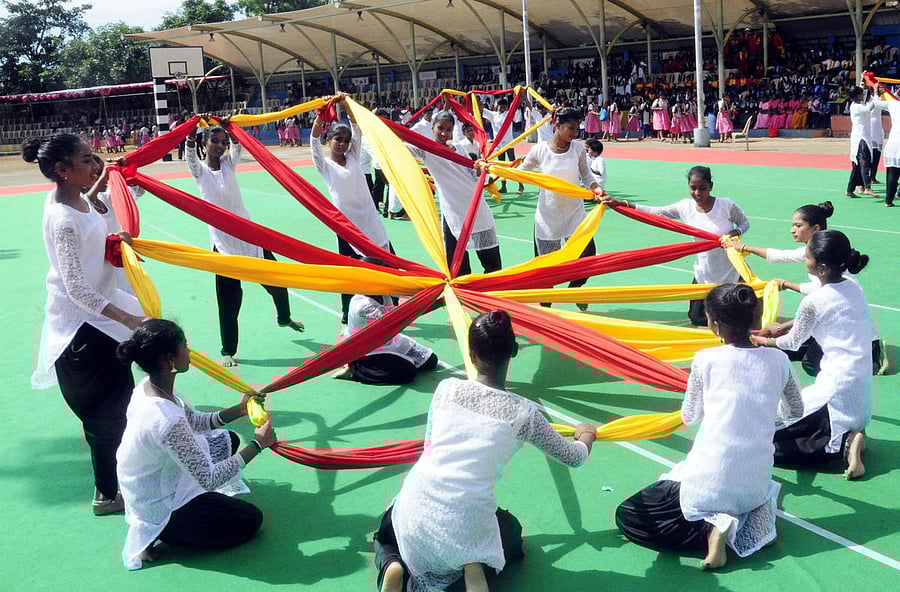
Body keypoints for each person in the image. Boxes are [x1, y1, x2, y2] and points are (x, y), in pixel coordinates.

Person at [372, 310, 597, 592]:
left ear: (471, 354)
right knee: (510, 536)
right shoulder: (525, 414)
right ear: (513, 352)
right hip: (467, 515)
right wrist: (586, 435)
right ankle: (471, 565)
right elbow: (573, 457)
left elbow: (428, 446)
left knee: (385, 536)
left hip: (416, 498)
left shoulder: (446, 389)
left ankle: (394, 564)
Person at [616, 284, 803, 570]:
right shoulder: (779, 359)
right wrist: (760, 416)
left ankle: (712, 530)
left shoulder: (706, 359)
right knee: (696, 478)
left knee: (628, 515)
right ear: (756, 316)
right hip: (754, 484)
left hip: (710, 483)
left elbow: (690, 416)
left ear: (714, 325)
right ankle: (743, 522)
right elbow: (795, 410)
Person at [25, 133, 147, 516]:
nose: (94, 164)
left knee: (123, 409)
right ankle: (107, 494)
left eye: (94, 157)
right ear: (61, 170)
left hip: (102, 323)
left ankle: (128, 479)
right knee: (107, 419)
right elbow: (76, 287)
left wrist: (115, 233)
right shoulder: (62, 218)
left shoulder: (75, 199)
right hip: (85, 332)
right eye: (86, 159)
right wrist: (127, 318)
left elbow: (91, 216)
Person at [115, 319, 274, 570]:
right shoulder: (165, 419)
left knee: (228, 439)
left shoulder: (150, 386)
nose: (189, 351)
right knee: (251, 519)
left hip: (148, 483)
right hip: (161, 503)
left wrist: (239, 410)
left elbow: (197, 422)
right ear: (169, 360)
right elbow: (209, 479)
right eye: (185, 346)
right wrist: (258, 444)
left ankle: (173, 522)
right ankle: (162, 531)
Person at [751, 230, 873, 480]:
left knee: (765, 440)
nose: (804, 262)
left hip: (836, 386)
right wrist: (783, 326)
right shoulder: (853, 286)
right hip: (859, 384)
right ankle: (852, 434)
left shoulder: (814, 300)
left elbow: (794, 342)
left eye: (807, 258)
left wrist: (761, 340)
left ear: (822, 267)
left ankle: (842, 447)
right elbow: (823, 319)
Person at [186, 119, 304, 367]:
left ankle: (284, 317)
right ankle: (228, 349)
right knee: (229, 300)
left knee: (278, 281)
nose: (220, 146)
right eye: (215, 141)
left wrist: (230, 128)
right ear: (204, 144)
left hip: (250, 238)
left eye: (223, 142)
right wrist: (190, 132)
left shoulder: (229, 165)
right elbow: (189, 154)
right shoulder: (200, 171)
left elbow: (238, 147)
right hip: (224, 244)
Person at [731, 202, 884, 376]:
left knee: (809, 363)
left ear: (815, 229)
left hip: (854, 342)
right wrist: (745, 248)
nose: (792, 230)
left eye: (797, 225)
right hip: (835, 325)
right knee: (791, 349)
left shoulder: (830, 287)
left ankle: (872, 357)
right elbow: (781, 256)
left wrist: (764, 338)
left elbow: (813, 305)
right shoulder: (835, 269)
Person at [603, 166, 750, 326]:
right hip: (704, 271)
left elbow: (744, 222)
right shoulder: (685, 207)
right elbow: (658, 212)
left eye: (703, 188)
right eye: (693, 188)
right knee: (696, 317)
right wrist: (624, 204)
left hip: (729, 270)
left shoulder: (725, 205)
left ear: (711, 186)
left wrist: (735, 232)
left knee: (733, 315)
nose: (698, 193)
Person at [311, 98, 394, 324]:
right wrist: (319, 121)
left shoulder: (354, 157)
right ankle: (348, 316)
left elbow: (356, 128)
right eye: (338, 139)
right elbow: (314, 143)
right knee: (350, 273)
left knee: (389, 263)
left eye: (346, 141)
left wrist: (347, 106)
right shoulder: (325, 166)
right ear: (329, 140)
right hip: (346, 227)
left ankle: (392, 308)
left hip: (369, 220)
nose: (343, 144)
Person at [519, 107, 604, 310]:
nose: (575, 133)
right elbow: (521, 172)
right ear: (557, 126)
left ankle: (574, 290)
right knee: (547, 269)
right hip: (548, 216)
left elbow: (587, 175)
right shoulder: (539, 150)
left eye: (577, 128)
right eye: (570, 128)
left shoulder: (577, 149)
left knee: (588, 258)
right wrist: (496, 172)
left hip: (574, 213)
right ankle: (546, 309)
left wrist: (598, 189)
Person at [406, 110, 502, 276]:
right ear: (432, 128)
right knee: (458, 268)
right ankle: (465, 299)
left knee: (492, 264)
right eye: (440, 128)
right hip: (453, 213)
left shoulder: (459, 149)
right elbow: (399, 145)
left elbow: (471, 174)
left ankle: (491, 297)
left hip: (476, 208)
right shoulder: (426, 150)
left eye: (449, 129)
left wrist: (479, 169)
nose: (444, 133)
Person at [332, 258, 438, 385]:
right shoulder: (363, 305)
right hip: (366, 348)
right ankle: (354, 369)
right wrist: (438, 303)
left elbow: (412, 293)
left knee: (431, 361)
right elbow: (401, 318)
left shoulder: (381, 292)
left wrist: (436, 289)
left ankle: (390, 361)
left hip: (387, 340)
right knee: (407, 373)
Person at [84, 155, 145, 294]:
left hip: (121, 266)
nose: (104, 179)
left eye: (102, 173)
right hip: (99, 270)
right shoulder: (80, 205)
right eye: (97, 174)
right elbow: (87, 200)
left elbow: (138, 191)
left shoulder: (108, 198)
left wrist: (124, 170)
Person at [481, 98, 525, 194]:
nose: (502, 108)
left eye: (504, 106)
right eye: (501, 106)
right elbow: (481, 109)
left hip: (509, 144)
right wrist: (473, 98)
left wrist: (518, 97)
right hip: (499, 145)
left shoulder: (508, 114)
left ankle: (521, 186)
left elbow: (516, 112)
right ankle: (503, 186)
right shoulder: (493, 115)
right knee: (501, 166)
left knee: (514, 164)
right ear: (497, 106)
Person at [845, 86, 878, 198]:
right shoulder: (858, 107)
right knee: (864, 162)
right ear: (858, 96)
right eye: (861, 94)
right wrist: (876, 94)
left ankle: (850, 189)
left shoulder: (856, 105)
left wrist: (863, 80)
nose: (864, 95)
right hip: (861, 138)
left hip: (861, 137)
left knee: (857, 165)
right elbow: (869, 108)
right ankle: (867, 187)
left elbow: (865, 102)